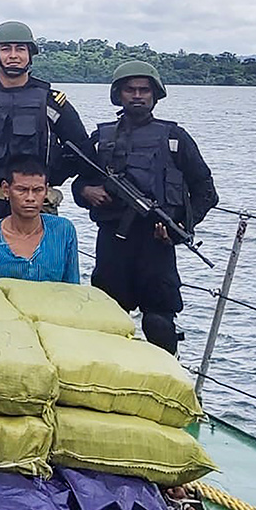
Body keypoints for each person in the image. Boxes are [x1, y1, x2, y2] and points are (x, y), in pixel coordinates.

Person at [73, 61, 218, 354]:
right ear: (119, 94)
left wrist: (180, 229)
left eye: (144, 90)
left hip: (157, 245)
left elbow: (206, 191)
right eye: (130, 90)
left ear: (155, 94)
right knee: (108, 321)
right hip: (113, 241)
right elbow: (79, 181)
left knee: (159, 324)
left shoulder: (175, 138)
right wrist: (87, 191)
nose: (137, 95)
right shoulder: (101, 139)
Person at [0, 20, 90, 241]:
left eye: (20, 49)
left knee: (40, 267)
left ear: (30, 55)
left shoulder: (51, 102)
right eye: (6, 49)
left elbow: (81, 149)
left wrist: (51, 177)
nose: (13, 55)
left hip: (36, 202)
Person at [0, 156, 79, 284]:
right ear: (6, 190)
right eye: (22, 190)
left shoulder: (63, 230)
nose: (30, 198)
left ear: (46, 191)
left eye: (37, 190)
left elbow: (73, 288)